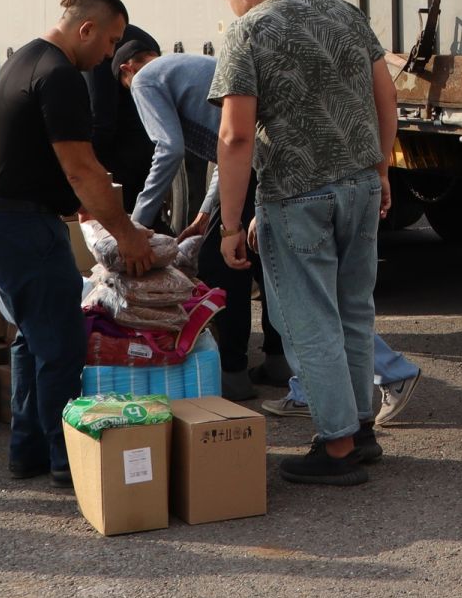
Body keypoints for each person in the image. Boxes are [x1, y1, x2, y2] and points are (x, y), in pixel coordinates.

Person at [117, 39, 420, 415]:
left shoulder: (146, 79)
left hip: (280, 181)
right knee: (291, 297)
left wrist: (134, 225)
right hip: (301, 174)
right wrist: (207, 213)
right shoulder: (197, 68)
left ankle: (388, 371)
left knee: (295, 295)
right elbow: (224, 152)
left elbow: (173, 148)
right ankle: (306, 386)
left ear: (126, 70)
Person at [209, 0, 397, 486]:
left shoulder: (247, 31)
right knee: (354, 311)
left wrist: (227, 225)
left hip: (297, 195)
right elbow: (385, 97)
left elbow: (236, 133)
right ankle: (361, 430)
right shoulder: (343, 11)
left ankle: (335, 446)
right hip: (361, 185)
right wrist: (382, 170)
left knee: (309, 323)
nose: (231, 7)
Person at [0, 0, 154, 488]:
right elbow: (83, 169)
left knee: (33, 338)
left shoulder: (24, 59)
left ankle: (27, 451)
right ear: (86, 27)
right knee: (63, 346)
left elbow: (38, 157)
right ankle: (64, 459)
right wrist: (127, 233)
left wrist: (80, 206)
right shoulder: (61, 75)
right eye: (112, 40)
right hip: (21, 226)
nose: (111, 53)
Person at [85, 22, 159, 212]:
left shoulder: (98, 47)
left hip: (119, 155)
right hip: (150, 143)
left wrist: (89, 167)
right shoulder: (144, 36)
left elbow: (100, 115)